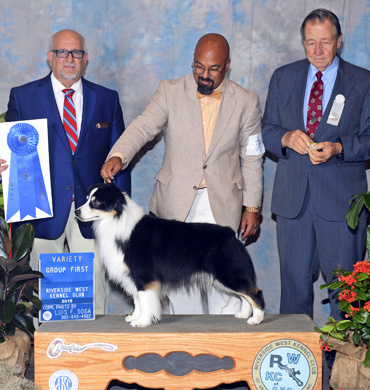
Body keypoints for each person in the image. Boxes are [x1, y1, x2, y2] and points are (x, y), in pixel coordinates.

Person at [101, 33, 264, 315]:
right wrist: (119, 154)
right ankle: (184, 356)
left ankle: (224, 352)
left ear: (227, 65)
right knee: (177, 289)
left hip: (222, 203)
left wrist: (252, 206)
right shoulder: (170, 91)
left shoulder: (247, 102)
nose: (204, 74)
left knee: (223, 292)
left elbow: (252, 156)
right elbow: (143, 127)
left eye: (213, 69)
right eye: (198, 66)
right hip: (174, 204)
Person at [5, 29, 131, 314]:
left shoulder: (107, 99)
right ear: (50, 57)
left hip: (93, 212)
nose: (70, 58)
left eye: (76, 53)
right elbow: (11, 148)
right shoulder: (23, 97)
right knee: (39, 292)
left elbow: (120, 157)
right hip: (41, 210)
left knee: (93, 288)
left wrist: (120, 213)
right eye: (63, 52)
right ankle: (45, 356)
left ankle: (95, 351)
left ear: (85, 59)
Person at [262, 9, 370, 322]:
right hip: (292, 202)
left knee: (344, 293)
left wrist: (339, 147)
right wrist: (284, 137)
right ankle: (294, 366)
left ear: (339, 42)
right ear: (303, 43)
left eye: (325, 42)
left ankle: (343, 370)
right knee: (293, 293)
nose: (317, 51)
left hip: (341, 202)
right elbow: (266, 129)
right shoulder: (283, 77)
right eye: (311, 43)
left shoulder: (362, 82)